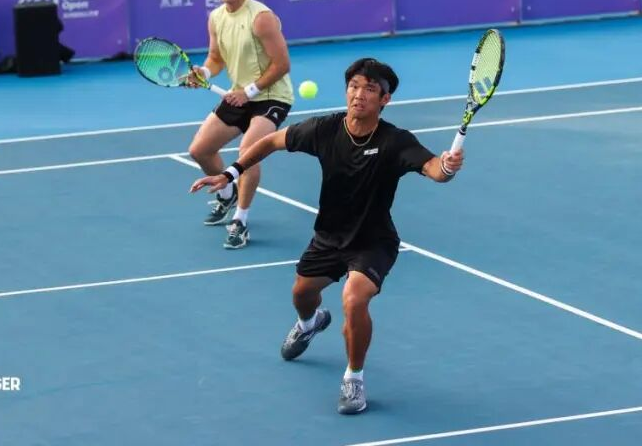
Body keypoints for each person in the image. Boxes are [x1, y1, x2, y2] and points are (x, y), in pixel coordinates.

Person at [190, 58, 464, 415]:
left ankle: (354, 378)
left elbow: (434, 170)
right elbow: (270, 141)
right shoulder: (325, 129)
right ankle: (310, 323)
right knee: (301, 294)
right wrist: (230, 174)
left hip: (373, 241)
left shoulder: (395, 141)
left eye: (369, 89)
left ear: (385, 99)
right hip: (329, 237)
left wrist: (447, 166)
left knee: (354, 299)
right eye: (354, 86)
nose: (359, 94)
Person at [185, 0, 294, 250]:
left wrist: (249, 92)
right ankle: (227, 194)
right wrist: (204, 72)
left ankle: (240, 220)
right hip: (238, 95)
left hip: (270, 96)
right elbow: (215, 57)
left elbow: (282, 64)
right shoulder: (216, 18)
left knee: (248, 154)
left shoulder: (261, 17)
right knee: (199, 150)